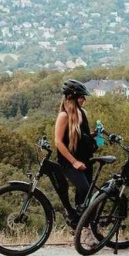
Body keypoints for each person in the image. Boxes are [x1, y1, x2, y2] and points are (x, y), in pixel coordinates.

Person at [53, 79, 97, 210]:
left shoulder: (83, 113)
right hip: (69, 161)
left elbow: (82, 135)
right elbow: (58, 141)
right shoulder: (64, 116)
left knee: (86, 194)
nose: (84, 100)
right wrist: (74, 162)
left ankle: (81, 225)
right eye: (81, 97)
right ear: (73, 98)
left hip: (85, 158)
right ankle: (75, 217)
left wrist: (94, 135)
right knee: (84, 188)